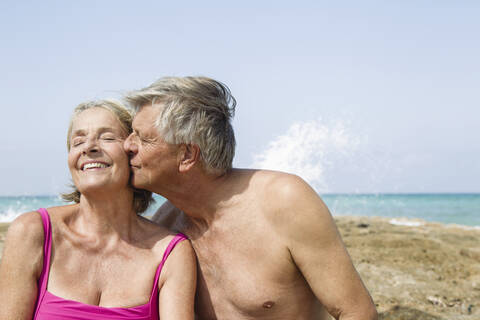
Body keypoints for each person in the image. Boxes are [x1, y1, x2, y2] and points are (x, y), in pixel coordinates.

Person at [123, 76, 378, 320]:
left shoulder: (284, 201)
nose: (127, 146)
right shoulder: (166, 226)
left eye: (143, 138)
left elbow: (357, 313)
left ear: (187, 154)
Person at [0, 100, 196, 320]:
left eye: (107, 137)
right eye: (78, 141)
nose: (89, 147)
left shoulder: (169, 253)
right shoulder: (32, 232)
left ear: (132, 153)